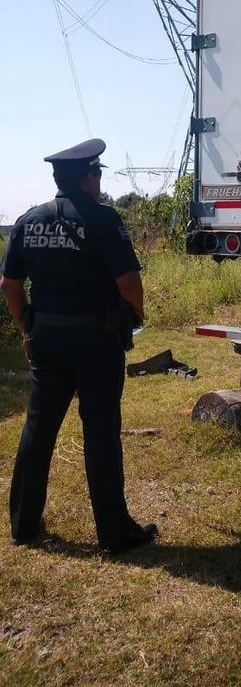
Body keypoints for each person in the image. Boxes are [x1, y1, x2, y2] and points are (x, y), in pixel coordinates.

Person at [0, 138, 158, 555]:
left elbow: (9, 285)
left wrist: (25, 327)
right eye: (98, 172)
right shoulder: (103, 220)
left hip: (46, 342)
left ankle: (22, 525)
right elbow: (129, 284)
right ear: (87, 178)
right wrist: (137, 316)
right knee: (101, 433)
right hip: (96, 342)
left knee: (38, 429)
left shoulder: (27, 221)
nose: (100, 180)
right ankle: (114, 533)